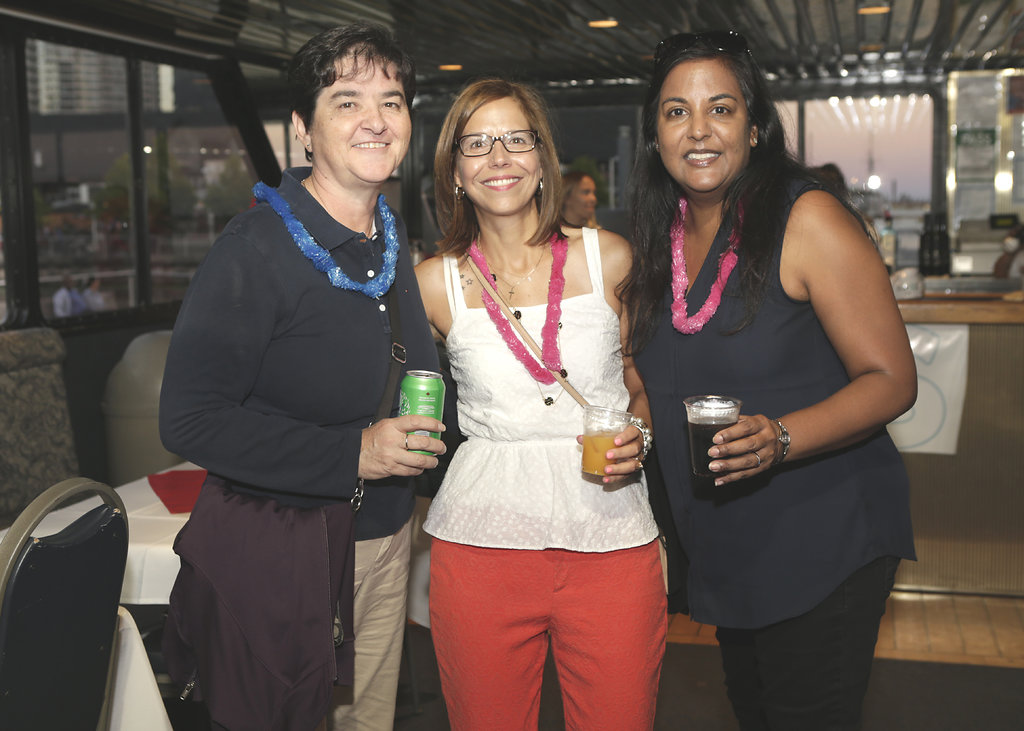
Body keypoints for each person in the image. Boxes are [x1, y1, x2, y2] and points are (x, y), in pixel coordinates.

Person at [622, 30, 917, 730]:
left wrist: (781, 437)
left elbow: (891, 379)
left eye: (720, 109)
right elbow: (655, 378)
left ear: (754, 128)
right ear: (654, 136)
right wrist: (633, 427)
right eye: (676, 112)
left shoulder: (806, 218)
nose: (698, 130)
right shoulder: (660, 240)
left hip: (822, 534)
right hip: (727, 541)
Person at [158, 23, 444, 731]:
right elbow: (189, 419)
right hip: (286, 550)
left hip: (385, 539)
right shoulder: (254, 248)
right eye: (347, 102)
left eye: (392, 101)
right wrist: (354, 452)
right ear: (302, 129)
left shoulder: (388, 239)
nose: (376, 120)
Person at [415, 78, 666, 731]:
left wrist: (638, 432)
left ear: (543, 158)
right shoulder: (432, 285)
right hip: (480, 546)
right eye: (477, 143)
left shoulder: (610, 259)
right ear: (454, 172)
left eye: (516, 139)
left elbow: (645, 383)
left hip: (610, 536)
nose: (499, 157)